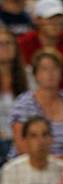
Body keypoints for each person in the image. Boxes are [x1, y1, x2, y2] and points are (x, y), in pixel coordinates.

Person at [10, 49, 63, 165]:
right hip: (29, 163)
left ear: (61, 73)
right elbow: (22, 148)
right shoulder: (22, 105)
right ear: (35, 74)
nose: (50, 73)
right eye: (44, 69)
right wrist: (55, 162)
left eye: (55, 68)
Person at [17, 0, 63, 94]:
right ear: (38, 20)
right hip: (30, 98)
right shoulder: (24, 43)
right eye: (50, 19)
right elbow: (19, 77)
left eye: (59, 18)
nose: (55, 23)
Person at [0, 25, 27, 163]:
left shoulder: (29, 77)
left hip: (24, 139)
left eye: (8, 43)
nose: (4, 47)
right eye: (0, 44)